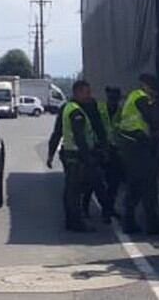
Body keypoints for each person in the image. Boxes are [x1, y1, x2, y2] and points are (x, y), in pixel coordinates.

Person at [46, 80, 114, 232]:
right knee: (81, 188)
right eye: (86, 92)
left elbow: (98, 128)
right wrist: (88, 157)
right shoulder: (75, 110)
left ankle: (78, 218)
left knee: (77, 188)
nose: (90, 96)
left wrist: (104, 147)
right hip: (79, 156)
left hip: (74, 155)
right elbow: (77, 136)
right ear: (77, 92)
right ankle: (77, 220)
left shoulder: (75, 107)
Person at [115, 74, 159, 234]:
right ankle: (152, 225)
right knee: (147, 184)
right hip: (136, 145)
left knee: (135, 183)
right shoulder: (141, 98)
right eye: (153, 87)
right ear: (146, 86)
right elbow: (153, 120)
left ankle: (129, 222)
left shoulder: (134, 96)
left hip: (130, 144)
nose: (154, 91)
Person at [95, 86, 126, 214]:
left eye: (115, 98)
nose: (113, 100)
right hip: (100, 148)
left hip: (115, 150)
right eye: (111, 97)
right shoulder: (100, 108)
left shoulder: (122, 111)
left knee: (114, 182)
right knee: (96, 182)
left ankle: (108, 209)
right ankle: (90, 207)